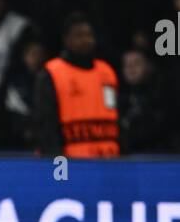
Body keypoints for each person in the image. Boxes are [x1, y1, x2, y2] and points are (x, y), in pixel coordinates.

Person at [32, 13, 120, 157]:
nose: (86, 40)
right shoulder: (51, 73)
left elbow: (116, 117)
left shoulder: (107, 72)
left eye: (89, 35)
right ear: (67, 40)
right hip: (73, 164)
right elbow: (46, 126)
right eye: (79, 36)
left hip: (109, 161)